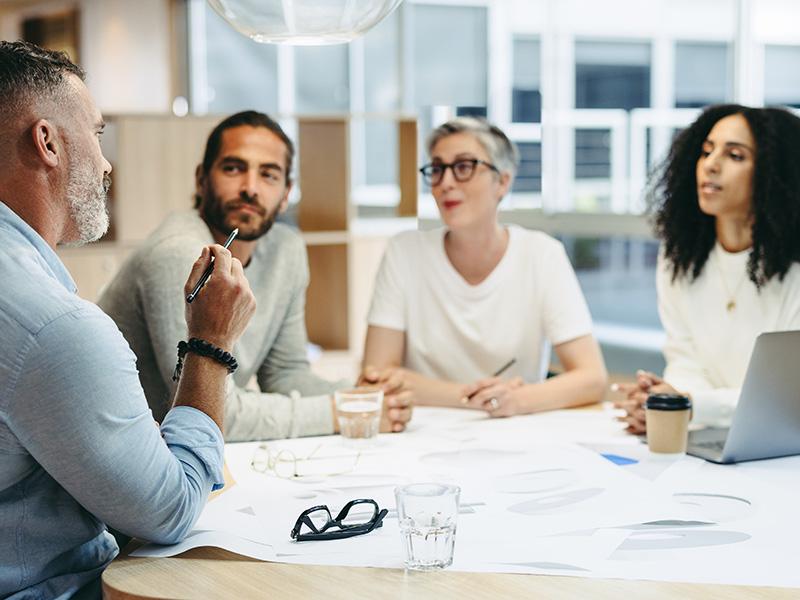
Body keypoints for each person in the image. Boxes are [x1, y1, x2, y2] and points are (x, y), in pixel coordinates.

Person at [0, 41, 256, 598]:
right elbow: (169, 510)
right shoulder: (50, 326)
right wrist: (211, 342)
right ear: (47, 142)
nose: (106, 161)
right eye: (97, 134)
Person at [98, 111, 411, 441]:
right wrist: (343, 410)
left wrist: (364, 395)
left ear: (287, 193)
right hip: (122, 450)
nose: (250, 188)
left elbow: (285, 375)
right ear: (201, 179)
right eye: (233, 169)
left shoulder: (286, 249)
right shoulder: (181, 253)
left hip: (177, 452)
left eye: (269, 175)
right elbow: (209, 414)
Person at [361, 117, 607, 416]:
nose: (446, 183)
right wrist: (472, 397)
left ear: (502, 181)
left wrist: (517, 400)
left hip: (513, 429)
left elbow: (592, 378)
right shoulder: (404, 252)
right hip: (420, 429)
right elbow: (375, 376)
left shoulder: (542, 254)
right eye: (437, 169)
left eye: (464, 167)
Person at [615, 104, 800, 434]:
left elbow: (784, 397)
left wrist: (688, 405)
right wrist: (669, 401)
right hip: (707, 437)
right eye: (706, 151)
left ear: (775, 173)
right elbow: (684, 359)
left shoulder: (793, 269)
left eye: (735, 155)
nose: (711, 165)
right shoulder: (679, 257)